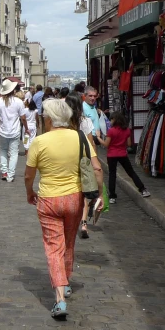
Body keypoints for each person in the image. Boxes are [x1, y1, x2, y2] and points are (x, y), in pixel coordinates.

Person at [24, 99, 103, 319]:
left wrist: (29, 192)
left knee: (53, 247)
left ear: (48, 118)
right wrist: (100, 195)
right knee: (69, 242)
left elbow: (28, 174)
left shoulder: (39, 142)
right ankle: (65, 281)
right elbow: (96, 168)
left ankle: (60, 299)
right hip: (74, 199)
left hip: (49, 199)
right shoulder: (80, 137)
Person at [96, 112, 150, 204]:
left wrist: (98, 138)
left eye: (111, 119)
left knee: (112, 175)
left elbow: (106, 144)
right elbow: (129, 144)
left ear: (115, 120)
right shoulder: (127, 130)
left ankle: (112, 196)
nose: (110, 121)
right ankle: (142, 189)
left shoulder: (111, 131)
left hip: (112, 155)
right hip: (122, 154)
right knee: (131, 172)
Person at [65, 95, 97, 239]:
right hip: (84, 159)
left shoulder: (63, 122)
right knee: (84, 189)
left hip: (68, 158)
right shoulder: (85, 121)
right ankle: (83, 223)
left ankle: (69, 219)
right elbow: (91, 143)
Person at [0, 79, 28, 183]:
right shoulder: (19, 102)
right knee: (14, 153)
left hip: (3, 131)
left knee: (3, 150)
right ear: (13, 90)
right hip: (15, 130)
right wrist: (27, 128)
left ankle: (4, 171)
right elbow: (23, 117)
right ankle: (10, 175)